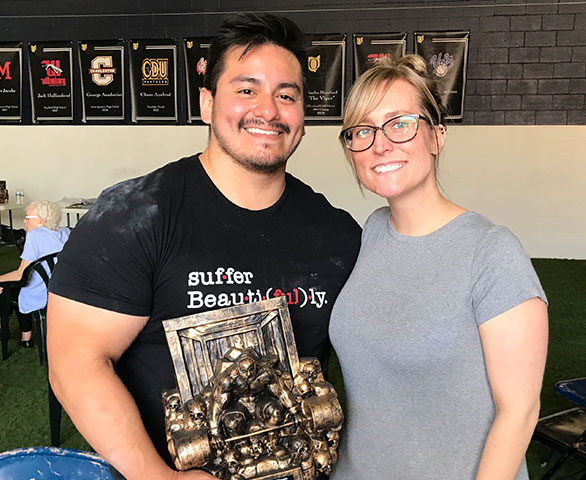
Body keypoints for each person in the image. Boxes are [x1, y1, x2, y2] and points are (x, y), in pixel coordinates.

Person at [47, 13, 361, 480]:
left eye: (287, 95)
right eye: (246, 89)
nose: (269, 110)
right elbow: (75, 360)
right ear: (207, 103)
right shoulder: (136, 216)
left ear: (302, 116)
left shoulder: (337, 234)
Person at [329, 55, 548, 480]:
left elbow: (519, 413)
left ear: (436, 136)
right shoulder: (372, 231)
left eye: (400, 123)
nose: (380, 144)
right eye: (363, 130)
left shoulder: (491, 252)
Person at [0, 201, 69, 347]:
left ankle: (24, 337)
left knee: (9, 289)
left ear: (42, 221)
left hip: (41, 290)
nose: (24, 222)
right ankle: (25, 337)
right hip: (61, 289)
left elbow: (20, 274)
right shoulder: (65, 232)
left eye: (27, 218)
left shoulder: (35, 236)